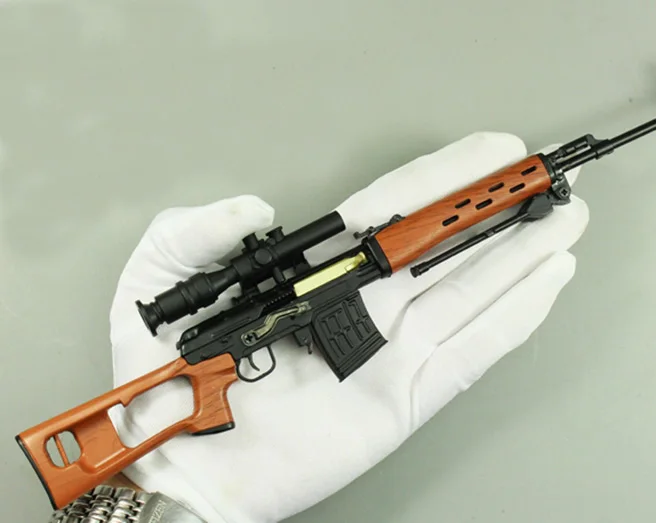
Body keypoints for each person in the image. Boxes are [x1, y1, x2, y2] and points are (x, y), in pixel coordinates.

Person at [48, 132, 589, 523]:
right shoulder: (205, 353)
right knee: (217, 394)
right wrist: (189, 492)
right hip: (226, 351)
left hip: (291, 299)